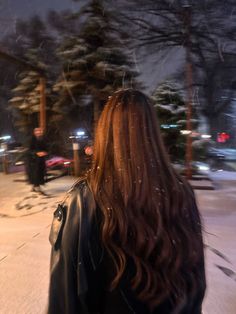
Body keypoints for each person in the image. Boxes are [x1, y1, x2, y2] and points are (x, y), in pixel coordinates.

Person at [47, 89, 206, 314]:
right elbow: (196, 287)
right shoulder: (181, 195)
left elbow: (64, 300)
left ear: (106, 133)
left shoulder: (85, 201)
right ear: (152, 133)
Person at [26, 127, 48, 193]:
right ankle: (37, 187)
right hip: (33, 160)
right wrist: (36, 153)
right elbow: (29, 150)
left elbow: (47, 148)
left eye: (40, 131)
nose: (39, 132)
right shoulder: (31, 139)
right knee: (35, 174)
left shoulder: (43, 139)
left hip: (41, 159)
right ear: (34, 132)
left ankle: (35, 186)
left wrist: (45, 152)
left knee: (41, 173)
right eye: (37, 131)